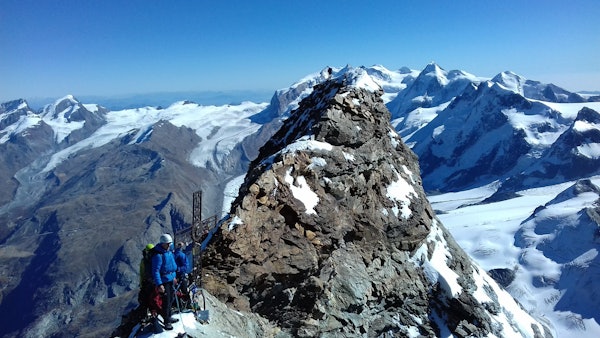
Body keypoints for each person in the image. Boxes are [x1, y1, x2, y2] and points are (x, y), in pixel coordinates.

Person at [151, 233, 178, 331]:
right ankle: (167, 321)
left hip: (170, 279)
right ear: (163, 243)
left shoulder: (168, 252)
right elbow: (156, 271)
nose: (169, 245)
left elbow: (172, 265)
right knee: (166, 301)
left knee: (170, 299)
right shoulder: (158, 255)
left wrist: (174, 277)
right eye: (168, 243)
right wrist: (159, 284)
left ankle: (169, 316)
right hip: (164, 281)